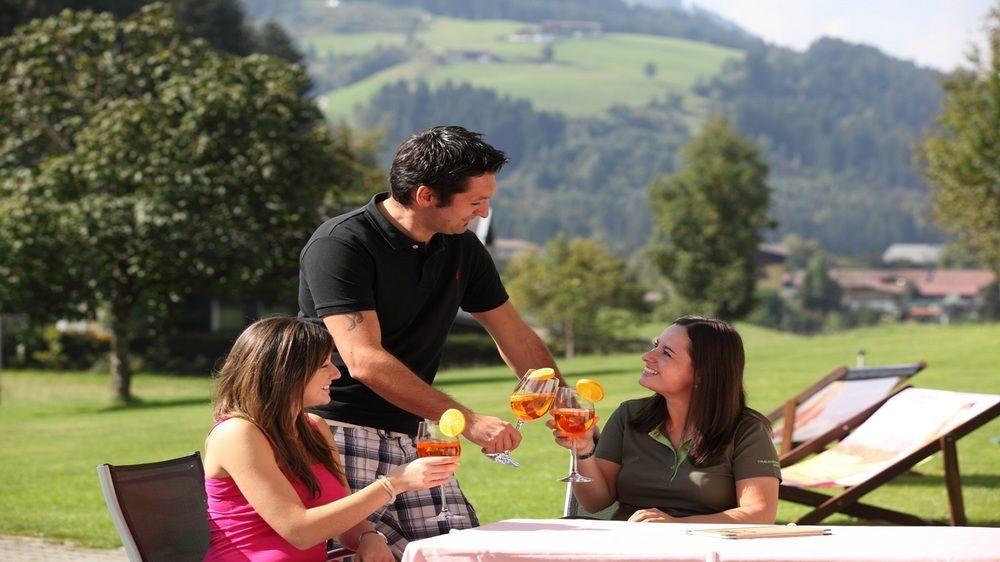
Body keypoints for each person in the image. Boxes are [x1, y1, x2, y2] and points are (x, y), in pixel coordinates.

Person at [297, 125, 561, 556]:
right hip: (336, 431)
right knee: (361, 554)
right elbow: (363, 360)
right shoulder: (341, 245)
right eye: (475, 202)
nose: (483, 212)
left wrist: (559, 395)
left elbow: (514, 334)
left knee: (463, 551)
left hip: (415, 431)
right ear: (426, 196)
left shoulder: (463, 249)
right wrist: (468, 419)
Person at [202, 316, 459, 562]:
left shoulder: (313, 427)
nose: (336, 374)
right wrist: (394, 483)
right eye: (324, 364)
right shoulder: (237, 434)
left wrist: (367, 534)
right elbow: (299, 531)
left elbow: (347, 523)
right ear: (286, 373)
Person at [551, 315, 781, 523]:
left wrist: (675, 525)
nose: (647, 356)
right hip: (627, 547)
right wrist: (584, 450)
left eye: (666, 353)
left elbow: (759, 513)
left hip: (705, 550)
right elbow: (595, 503)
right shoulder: (629, 415)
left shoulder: (746, 431)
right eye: (655, 346)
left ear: (702, 372)